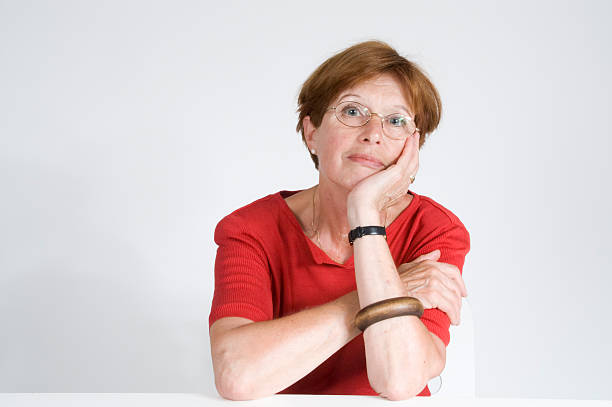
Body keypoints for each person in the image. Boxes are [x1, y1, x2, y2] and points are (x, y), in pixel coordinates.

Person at [208, 40, 470, 401]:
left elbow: (399, 381)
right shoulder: (251, 228)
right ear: (312, 132)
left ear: (412, 146)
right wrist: (383, 294)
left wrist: (364, 213)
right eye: (351, 112)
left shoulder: (435, 229)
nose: (373, 133)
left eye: (396, 121)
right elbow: (237, 376)